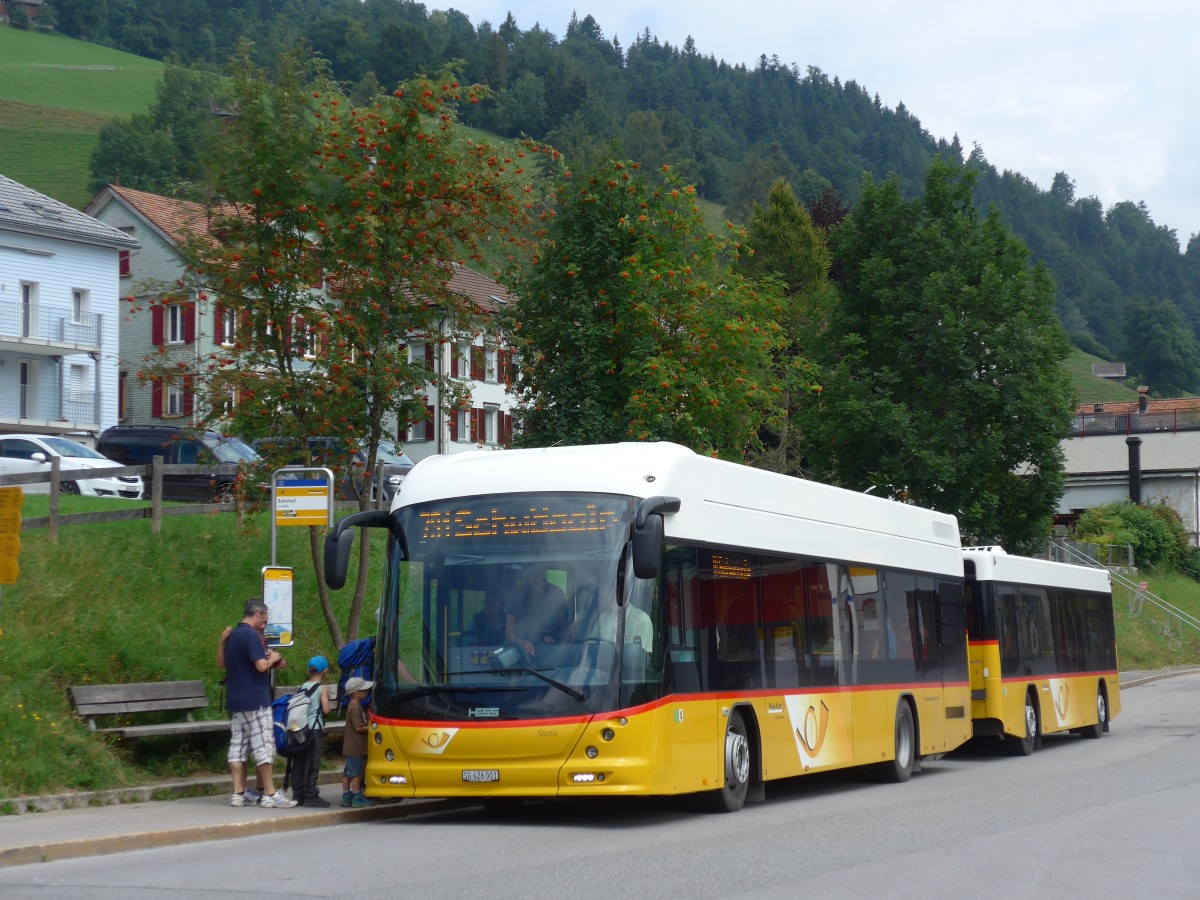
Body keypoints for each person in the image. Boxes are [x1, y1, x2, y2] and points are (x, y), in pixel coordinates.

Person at [224, 598, 296, 809]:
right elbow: (261, 666)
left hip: (236, 701)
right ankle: (270, 794)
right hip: (255, 701)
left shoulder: (232, 636)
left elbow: (223, 663)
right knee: (264, 747)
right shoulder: (252, 636)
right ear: (257, 614)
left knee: (238, 747)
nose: (264, 625)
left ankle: (238, 793)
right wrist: (273, 658)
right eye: (264, 620)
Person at [290, 655, 332, 807]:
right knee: (312, 761)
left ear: (309, 670)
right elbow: (326, 710)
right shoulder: (322, 688)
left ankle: (298, 793)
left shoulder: (302, 686)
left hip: (300, 729)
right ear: (325, 671)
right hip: (314, 729)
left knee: (299, 761)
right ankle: (310, 794)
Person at [508, 565, 571, 656]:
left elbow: (564, 628)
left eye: (538, 573)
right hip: (521, 655)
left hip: (551, 654)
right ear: (527, 573)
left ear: (543, 572)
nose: (536, 577)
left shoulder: (556, 593)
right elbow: (509, 631)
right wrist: (521, 643)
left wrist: (555, 638)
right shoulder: (515, 595)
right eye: (533, 574)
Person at [341, 676, 374, 808]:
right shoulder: (355, 708)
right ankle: (357, 796)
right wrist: (372, 728)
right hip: (356, 746)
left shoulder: (352, 705)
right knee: (356, 773)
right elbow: (358, 727)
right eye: (364, 690)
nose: (367, 692)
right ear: (357, 693)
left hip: (350, 746)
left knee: (348, 772)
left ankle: (346, 795)